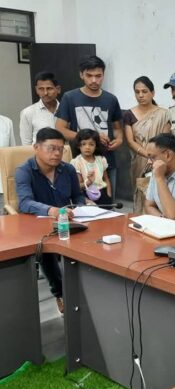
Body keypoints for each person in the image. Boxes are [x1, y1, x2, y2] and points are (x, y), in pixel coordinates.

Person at [15, 128, 86, 313]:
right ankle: (61, 293)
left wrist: (80, 207)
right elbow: (24, 203)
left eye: (60, 149)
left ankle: (87, 291)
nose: (56, 153)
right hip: (37, 224)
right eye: (51, 148)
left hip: (66, 219)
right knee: (44, 248)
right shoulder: (24, 171)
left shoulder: (68, 169)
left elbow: (78, 196)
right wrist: (51, 210)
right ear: (36, 147)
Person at [55, 55, 123, 197]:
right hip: (80, 164)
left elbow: (117, 128)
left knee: (108, 202)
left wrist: (119, 140)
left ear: (103, 75)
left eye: (98, 76)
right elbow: (60, 129)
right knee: (82, 203)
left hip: (106, 161)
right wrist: (93, 137)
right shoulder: (70, 97)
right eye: (89, 75)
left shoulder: (111, 99)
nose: (94, 80)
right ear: (81, 75)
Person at [123, 76, 170, 213]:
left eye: (144, 91)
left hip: (159, 161)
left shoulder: (163, 114)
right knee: (140, 194)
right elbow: (130, 141)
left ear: (152, 93)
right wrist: (147, 155)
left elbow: (165, 139)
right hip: (139, 161)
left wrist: (154, 157)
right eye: (137, 92)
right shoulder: (129, 114)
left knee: (159, 194)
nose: (140, 95)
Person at [70, 129, 112, 204]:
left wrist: (109, 195)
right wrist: (89, 182)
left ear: (96, 146)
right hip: (87, 196)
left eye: (91, 144)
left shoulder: (101, 159)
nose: (87, 147)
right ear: (78, 145)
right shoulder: (77, 162)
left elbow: (106, 179)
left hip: (103, 193)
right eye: (84, 144)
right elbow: (77, 186)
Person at [19, 71, 61, 145]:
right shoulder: (28, 113)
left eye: (49, 88)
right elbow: (26, 144)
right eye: (41, 89)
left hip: (63, 152)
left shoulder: (66, 109)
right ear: (36, 90)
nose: (45, 93)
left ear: (58, 89)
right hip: (38, 152)